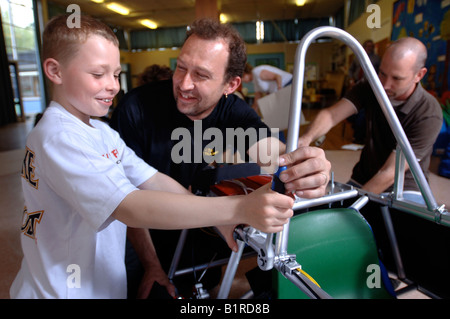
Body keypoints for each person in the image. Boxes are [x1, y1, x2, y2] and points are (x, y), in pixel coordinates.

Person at [9, 14, 296, 299]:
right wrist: (237, 208)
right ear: (55, 72)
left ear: (229, 85)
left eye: (116, 75)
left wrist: (295, 165)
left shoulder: (99, 130)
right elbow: (130, 206)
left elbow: (152, 179)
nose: (113, 86)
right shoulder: (61, 137)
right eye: (98, 74)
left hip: (96, 283)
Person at [110, 18, 331, 298]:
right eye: (180, 67)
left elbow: (274, 153)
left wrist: (304, 167)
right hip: (139, 229)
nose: (184, 84)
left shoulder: (233, 112)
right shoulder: (136, 109)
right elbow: (123, 197)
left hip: (192, 216)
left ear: (231, 84)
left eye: (201, 75)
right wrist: (152, 266)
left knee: (205, 284)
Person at [299, 37, 442, 194]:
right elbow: (332, 115)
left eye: (397, 78)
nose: (385, 85)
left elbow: (390, 173)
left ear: (419, 75)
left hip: (405, 186)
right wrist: (306, 139)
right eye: (382, 73)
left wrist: (352, 205)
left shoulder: (428, 112)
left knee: (354, 215)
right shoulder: (370, 86)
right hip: (363, 177)